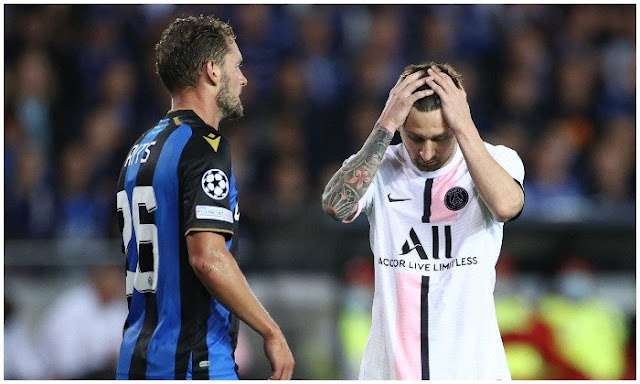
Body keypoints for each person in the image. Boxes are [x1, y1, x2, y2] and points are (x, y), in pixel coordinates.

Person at [115, 15, 294, 380]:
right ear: (213, 70)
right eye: (237, 65)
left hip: (137, 359)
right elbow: (208, 259)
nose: (243, 78)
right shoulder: (204, 148)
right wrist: (271, 330)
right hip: (193, 361)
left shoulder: (139, 149)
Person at [322, 62, 525, 380]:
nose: (428, 152)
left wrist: (465, 128)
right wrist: (385, 122)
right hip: (390, 373)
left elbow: (506, 206)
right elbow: (336, 205)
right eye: (415, 138)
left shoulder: (497, 160)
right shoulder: (379, 167)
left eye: (441, 138)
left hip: (475, 372)